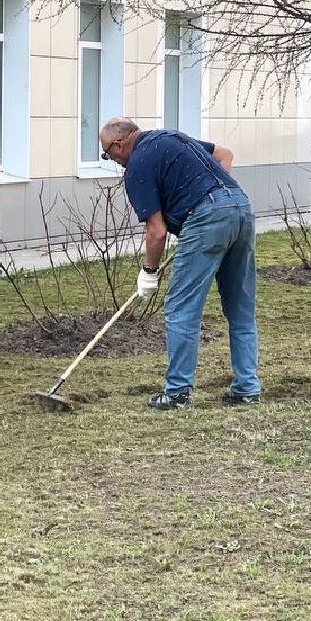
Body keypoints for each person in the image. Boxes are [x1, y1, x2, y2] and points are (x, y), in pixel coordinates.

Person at [98, 116, 261, 410]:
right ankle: (247, 388)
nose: (112, 160)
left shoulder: (137, 166)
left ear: (119, 144)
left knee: (180, 308)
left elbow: (156, 232)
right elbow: (225, 154)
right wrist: (218, 200)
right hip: (241, 207)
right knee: (240, 308)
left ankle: (176, 394)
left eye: (108, 153)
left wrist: (148, 272)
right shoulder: (171, 137)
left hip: (207, 218)